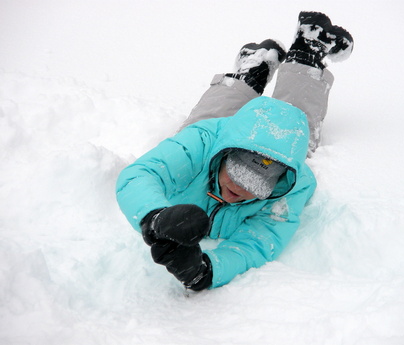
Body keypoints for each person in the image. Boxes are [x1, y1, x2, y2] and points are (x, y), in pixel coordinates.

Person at [116, 11, 353, 291]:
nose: (241, 187)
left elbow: (260, 241)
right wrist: (155, 218)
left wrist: (208, 270)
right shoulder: (202, 142)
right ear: (225, 156)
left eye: (259, 182)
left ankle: (307, 51)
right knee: (215, 110)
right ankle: (253, 71)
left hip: (275, 144)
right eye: (239, 172)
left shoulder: (293, 185)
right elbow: (141, 175)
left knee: (297, 118)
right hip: (216, 133)